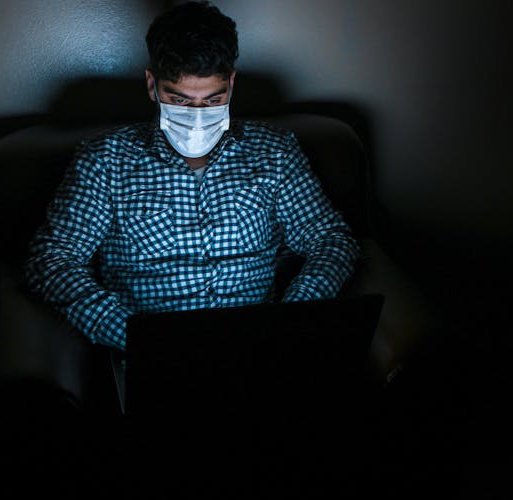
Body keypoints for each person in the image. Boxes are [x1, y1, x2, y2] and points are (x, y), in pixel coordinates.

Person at [25, 1, 360, 354]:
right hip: (155, 357)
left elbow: (331, 240)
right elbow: (51, 259)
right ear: (153, 85)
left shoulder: (274, 152)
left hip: (260, 350)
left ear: (231, 84)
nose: (199, 118)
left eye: (213, 100)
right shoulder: (105, 161)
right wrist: (137, 337)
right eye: (181, 101)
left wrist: (288, 320)